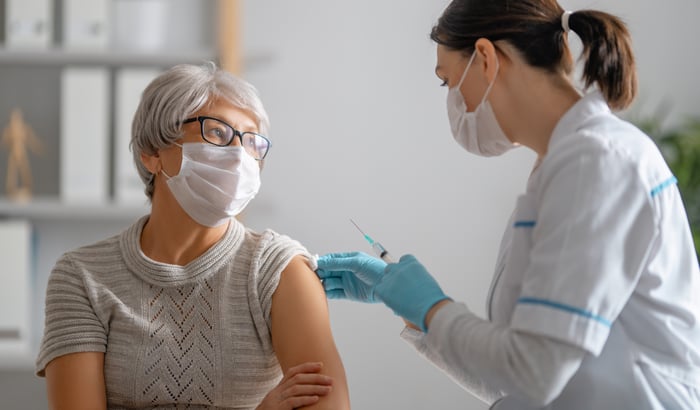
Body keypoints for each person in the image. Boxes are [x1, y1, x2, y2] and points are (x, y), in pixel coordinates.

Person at [316, 1, 700, 409]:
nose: (452, 99)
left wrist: (432, 308)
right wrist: (414, 312)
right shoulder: (559, 170)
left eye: (446, 81)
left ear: (485, 58)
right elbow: (515, 379)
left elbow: (536, 373)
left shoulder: (597, 161)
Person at [36, 62, 350, 410]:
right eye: (217, 132)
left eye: (251, 141)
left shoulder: (278, 270)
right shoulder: (83, 276)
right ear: (152, 154)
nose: (238, 155)